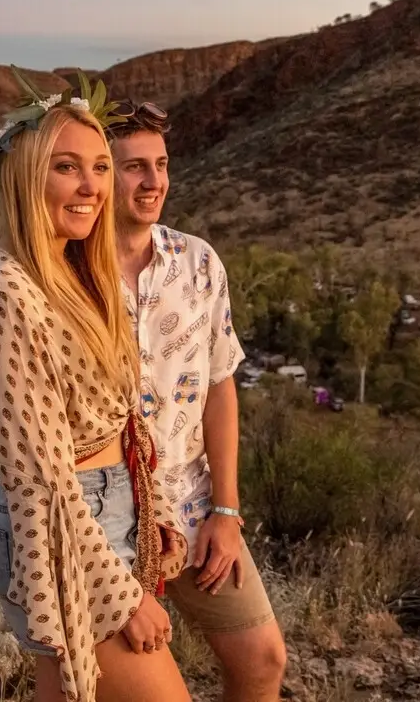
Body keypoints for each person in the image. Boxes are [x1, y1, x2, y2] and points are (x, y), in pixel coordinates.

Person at [0, 71, 192, 702]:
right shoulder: (7, 289)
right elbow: (41, 477)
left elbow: (123, 413)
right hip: (60, 526)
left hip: (108, 505)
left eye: (98, 167)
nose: (91, 186)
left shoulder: (76, 270)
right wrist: (121, 597)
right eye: (66, 167)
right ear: (27, 177)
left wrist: (154, 508)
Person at [106, 99, 289, 702]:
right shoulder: (66, 277)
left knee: (262, 661)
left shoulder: (198, 262)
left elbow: (218, 385)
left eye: (160, 164)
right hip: (107, 515)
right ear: (102, 176)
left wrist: (227, 513)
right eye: (134, 167)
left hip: (192, 504)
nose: (154, 181)